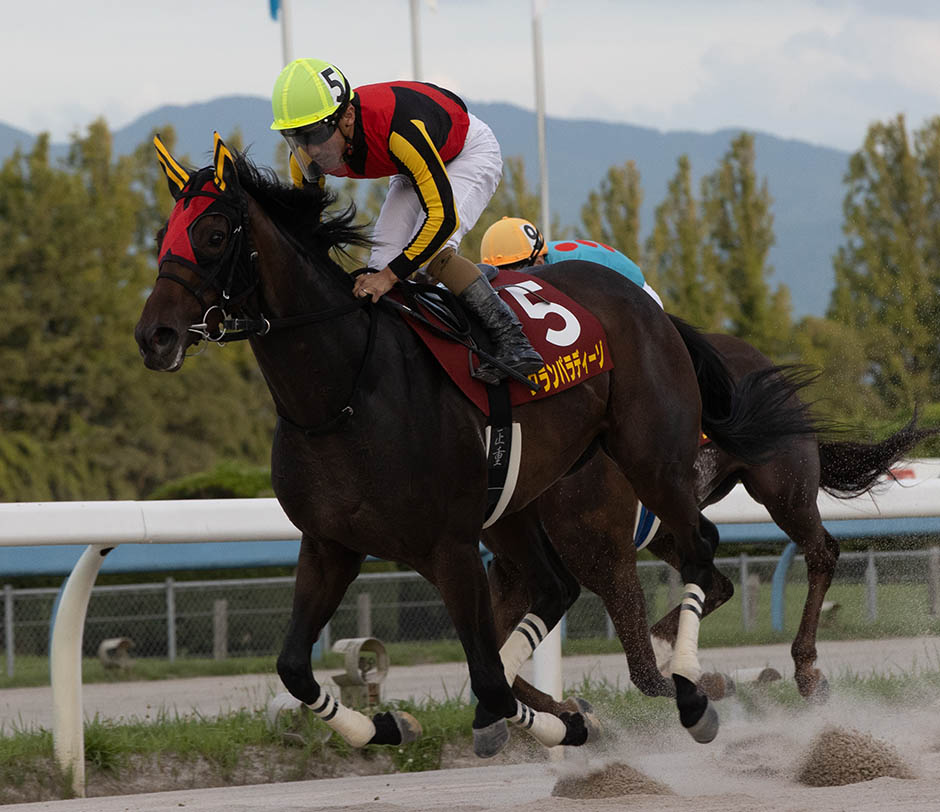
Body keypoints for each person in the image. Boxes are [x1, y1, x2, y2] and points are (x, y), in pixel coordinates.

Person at [270, 58, 543, 385]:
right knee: (378, 266)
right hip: (410, 166)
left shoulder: (399, 130)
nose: (310, 149)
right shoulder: (305, 156)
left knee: (433, 254)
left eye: (316, 134)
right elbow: (304, 231)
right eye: (296, 137)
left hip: (465, 152)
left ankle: (514, 340)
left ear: (347, 117)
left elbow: (443, 219)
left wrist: (389, 276)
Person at [479, 216, 664, 309]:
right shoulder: (542, 259)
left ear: (538, 261)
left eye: (514, 269)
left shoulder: (566, 270)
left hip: (638, 297)